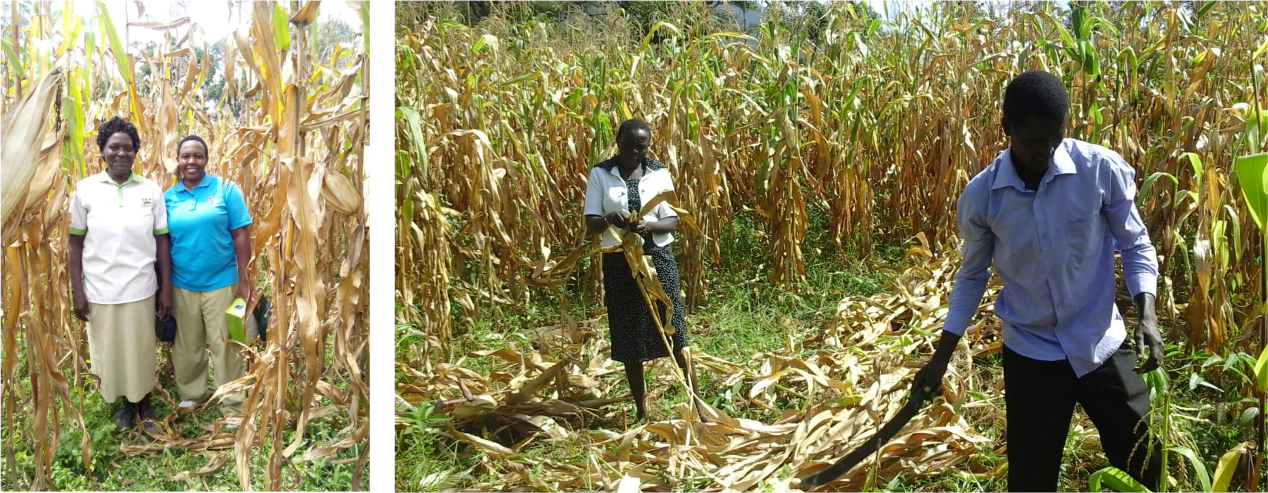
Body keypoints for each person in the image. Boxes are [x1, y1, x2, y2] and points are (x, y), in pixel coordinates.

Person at [910, 70, 1163, 491]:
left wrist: (1147, 314)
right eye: (1033, 141)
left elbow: (1135, 243)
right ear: (1007, 128)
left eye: (1055, 138)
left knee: (1143, 456)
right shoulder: (983, 196)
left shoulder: (1099, 170)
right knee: (1031, 475)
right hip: (1031, 351)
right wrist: (941, 357)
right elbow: (971, 276)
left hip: (1099, 339)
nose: (1045, 151)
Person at [583, 119, 707, 422]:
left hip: (657, 257)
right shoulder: (601, 173)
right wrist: (611, 217)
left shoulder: (659, 173)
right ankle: (641, 409)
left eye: (641, 146)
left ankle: (698, 404)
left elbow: (673, 221)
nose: (634, 152)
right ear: (618, 141)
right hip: (619, 261)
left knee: (674, 327)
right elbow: (591, 223)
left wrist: (647, 224)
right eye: (629, 145)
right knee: (629, 338)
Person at [68, 116, 171, 435]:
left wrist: (165, 289)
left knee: (140, 349)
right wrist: (77, 291)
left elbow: (162, 241)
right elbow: (75, 244)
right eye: (114, 147)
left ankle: (146, 405)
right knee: (111, 350)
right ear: (102, 151)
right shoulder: (85, 190)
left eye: (128, 148)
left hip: (141, 288)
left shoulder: (150, 190)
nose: (121, 153)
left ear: (136, 151)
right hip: (101, 290)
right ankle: (126, 404)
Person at [162, 135, 253, 428]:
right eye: (186, 156)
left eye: (198, 156)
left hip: (222, 281)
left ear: (207, 159)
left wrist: (244, 279)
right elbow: (162, 243)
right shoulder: (168, 197)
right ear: (178, 160)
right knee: (187, 345)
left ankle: (233, 404)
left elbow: (241, 235)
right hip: (182, 283)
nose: (191, 161)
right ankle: (192, 395)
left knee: (226, 343)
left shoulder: (225, 190)